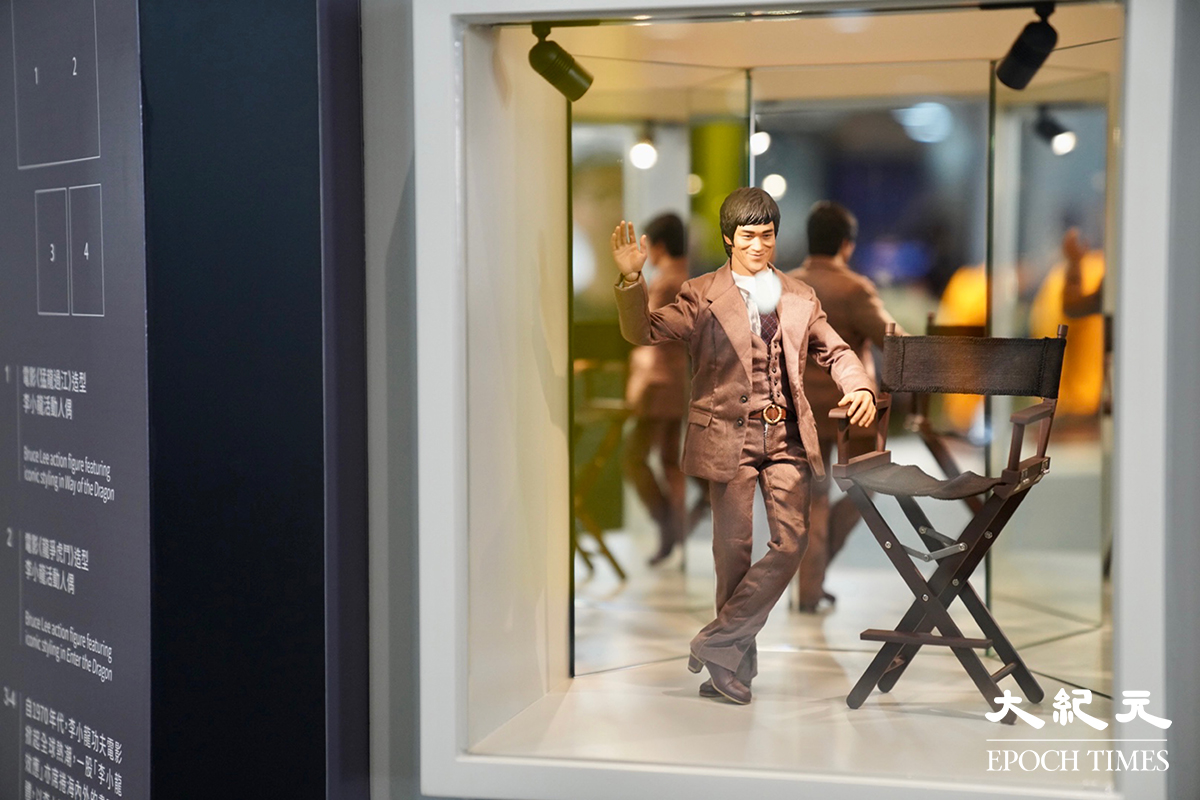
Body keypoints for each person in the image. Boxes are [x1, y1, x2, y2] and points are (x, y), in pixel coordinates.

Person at [611, 188, 876, 704]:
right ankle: (730, 669)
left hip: (787, 435)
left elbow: (836, 350)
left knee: (792, 541)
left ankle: (715, 641)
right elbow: (644, 331)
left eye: (768, 236)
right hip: (726, 435)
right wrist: (629, 281)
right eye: (749, 236)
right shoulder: (701, 294)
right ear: (728, 239)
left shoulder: (800, 295)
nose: (759, 246)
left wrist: (859, 385)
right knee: (731, 553)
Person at [787, 201, 904, 612]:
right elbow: (896, 342)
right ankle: (813, 580)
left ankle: (808, 588)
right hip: (851, 411)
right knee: (865, 489)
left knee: (812, 501)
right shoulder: (854, 289)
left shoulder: (786, 286)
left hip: (798, 411)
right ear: (846, 245)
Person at [621, 213, 690, 566]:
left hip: (659, 384)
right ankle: (678, 530)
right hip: (679, 383)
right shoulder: (689, 278)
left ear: (660, 246)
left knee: (634, 457)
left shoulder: (665, 283)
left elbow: (646, 334)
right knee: (669, 461)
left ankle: (668, 525)